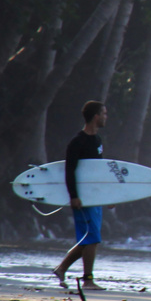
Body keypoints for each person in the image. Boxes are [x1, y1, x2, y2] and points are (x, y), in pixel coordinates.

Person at [53, 100, 108, 289]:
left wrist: (108, 196)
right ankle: (88, 280)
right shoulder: (78, 142)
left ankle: (61, 269)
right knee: (92, 238)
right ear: (96, 117)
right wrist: (74, 196)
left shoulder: (98, 141)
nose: (106, 117)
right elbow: (70, 171)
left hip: (94, 197)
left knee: (89, 239)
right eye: (104, 113)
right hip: (82, 199)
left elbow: (97, 173)